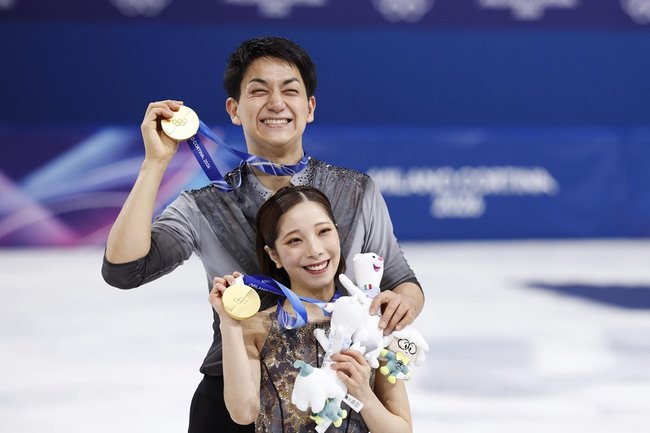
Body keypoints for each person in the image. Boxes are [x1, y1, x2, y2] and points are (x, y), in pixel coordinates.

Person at [102, 36, 424, 433]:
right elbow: (125, 270)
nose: (276, 103)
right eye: (259, 91)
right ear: (234, 110)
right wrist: (155, 162)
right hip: (235, 400)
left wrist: (401, 305)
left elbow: (402, 281)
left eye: (290, 90)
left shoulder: (355, 191)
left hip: (339, 396)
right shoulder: (204, 206)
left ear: (309, 107)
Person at [210, 185, 412, 433]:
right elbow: (243, 413)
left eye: (324, 231)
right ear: (274, 255)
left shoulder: (372, 321)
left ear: (338, 234)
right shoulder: (256, 327)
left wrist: (364, 394)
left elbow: (403, 429)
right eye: (294, 240)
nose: (315, 250)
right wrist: (229, 323)